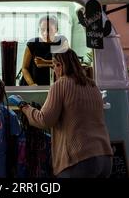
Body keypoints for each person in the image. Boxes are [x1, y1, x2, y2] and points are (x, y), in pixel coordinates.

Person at [10, 48, 113, 178]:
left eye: (55, 65)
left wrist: (23, 106)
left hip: (79, 160)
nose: (54, 70)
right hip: (105, 157)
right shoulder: (93, 86)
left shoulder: (60, 85)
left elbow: (44, 120)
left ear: (62, 65)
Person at [21, 15, 68, 86]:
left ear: (56, 29)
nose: (45, 33)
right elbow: (24, 68)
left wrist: (44, 62)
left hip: (54, 86)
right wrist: (32, 84)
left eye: (49, 29)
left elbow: (66, 64)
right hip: (31, 86)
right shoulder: (32, 44)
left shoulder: (62, 41)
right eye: (42, 29)